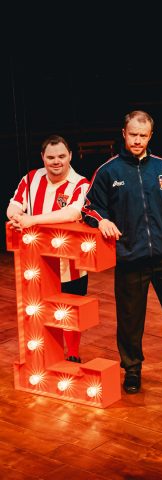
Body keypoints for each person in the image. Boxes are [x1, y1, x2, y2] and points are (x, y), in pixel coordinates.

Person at [82, 110, 162, 394]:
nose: (138, 140)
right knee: (130, 318)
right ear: (124, 134)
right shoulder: (109, 171)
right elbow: (88, 207)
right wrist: (102, 220)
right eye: (133, 135)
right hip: (130, 259)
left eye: (143, 135)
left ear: (150, 136)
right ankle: (132, 369)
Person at [7, 134, 90, 363]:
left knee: (70, 312)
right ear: (43, 157)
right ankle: (45, 355)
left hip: (70, 264)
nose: (57, 162)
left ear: (70, 156)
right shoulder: (31, 178)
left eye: (62, 156)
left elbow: (72, 213)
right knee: (40, 311)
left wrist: (32, 220)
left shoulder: (81, 184)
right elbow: (14, 204)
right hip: (36, 263)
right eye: (51, 157)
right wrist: (16, 216)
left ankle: (73, 354)